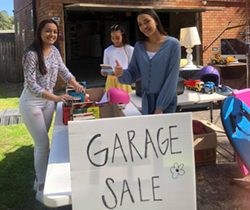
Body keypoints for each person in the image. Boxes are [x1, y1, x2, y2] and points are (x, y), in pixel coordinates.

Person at [19, 19, 84, 204]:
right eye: (48, 31)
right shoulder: (31, 55)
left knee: (44, 142)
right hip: (32, 103)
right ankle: (41, 185)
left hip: (48, 102)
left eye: (55, 32)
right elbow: (30, 84)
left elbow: (64, 71)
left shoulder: (55, 51)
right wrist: (56, 98)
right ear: (40, 32)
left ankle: (38, 179)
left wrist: (76, 84)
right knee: (41, 144)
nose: (52, 35)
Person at [114, 9, 181, 115]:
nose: (143, 27)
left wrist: (160, 107)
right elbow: (133, 74)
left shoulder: (173, 44)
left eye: (147, 21)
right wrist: (121, 73)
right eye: (140, 24)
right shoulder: (139, 46)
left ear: (156, 21)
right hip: (147, 102)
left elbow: (172, 78)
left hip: (166, 103)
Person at [101, 24, 134, 93]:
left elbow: (133, 68)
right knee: (111, 101)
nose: (115, 40)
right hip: (111, 80)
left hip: (124, 79)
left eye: (117, 38)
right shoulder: (107, 50)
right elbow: (105, 66)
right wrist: (103, 72)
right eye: (112, 38)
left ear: (123, 36)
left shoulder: (130, 49)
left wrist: (122, 72)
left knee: (125, 101)